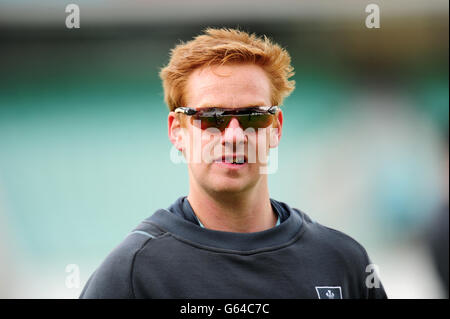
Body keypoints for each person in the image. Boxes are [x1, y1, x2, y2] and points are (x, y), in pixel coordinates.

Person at [80, 27, 387, 299]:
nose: (235, 135)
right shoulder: (132, 274)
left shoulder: (341, 260)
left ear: (276, 127)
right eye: (212, 117)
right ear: (177, 131)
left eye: (253, 116)